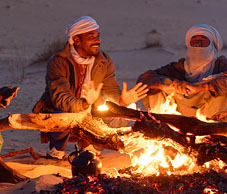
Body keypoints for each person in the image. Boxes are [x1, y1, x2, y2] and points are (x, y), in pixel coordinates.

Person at [32, 16, 148, 160]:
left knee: (125, 114)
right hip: (63, 110)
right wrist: (84, 103)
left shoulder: (103, 61)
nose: (97, 41)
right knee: (62, 112)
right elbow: (60, 99)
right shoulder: (58, 62)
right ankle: (57, 149)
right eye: (91, 37)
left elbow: (111, 90)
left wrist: (122, 101)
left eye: (98, 36)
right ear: (76, 40)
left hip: (92, 111)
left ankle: (91, 146)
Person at [137, 24, 227, 118]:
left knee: (226, 85)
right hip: (179, 114)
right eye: (194, 42)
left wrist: (201, 88)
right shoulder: (179, 67)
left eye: (203, 42)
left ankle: (214, 134)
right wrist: (164, 87)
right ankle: (160, 128)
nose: (198, 45)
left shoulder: (221, 65)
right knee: (159, 82)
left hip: (210, 115)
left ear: (212, 45)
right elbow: (145, 78)